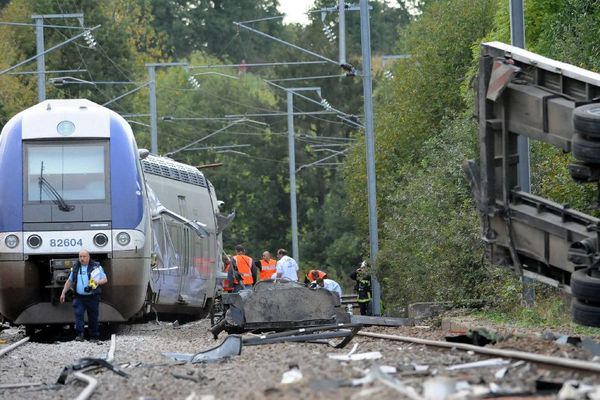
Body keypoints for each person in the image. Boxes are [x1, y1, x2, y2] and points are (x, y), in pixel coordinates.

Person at [60, 249, 108, 341]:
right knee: (78, 314)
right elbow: (69, 281)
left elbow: (105, 279)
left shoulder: (96, 267)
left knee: (93, 317)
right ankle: (80, 335)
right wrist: (63, 293)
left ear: (88, 257)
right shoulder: (75, 267)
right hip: (79, 297)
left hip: (92, 296)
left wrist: (97, 281)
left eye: (84, 256)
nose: (82, 259)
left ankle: (94, 336)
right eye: (80, 257)